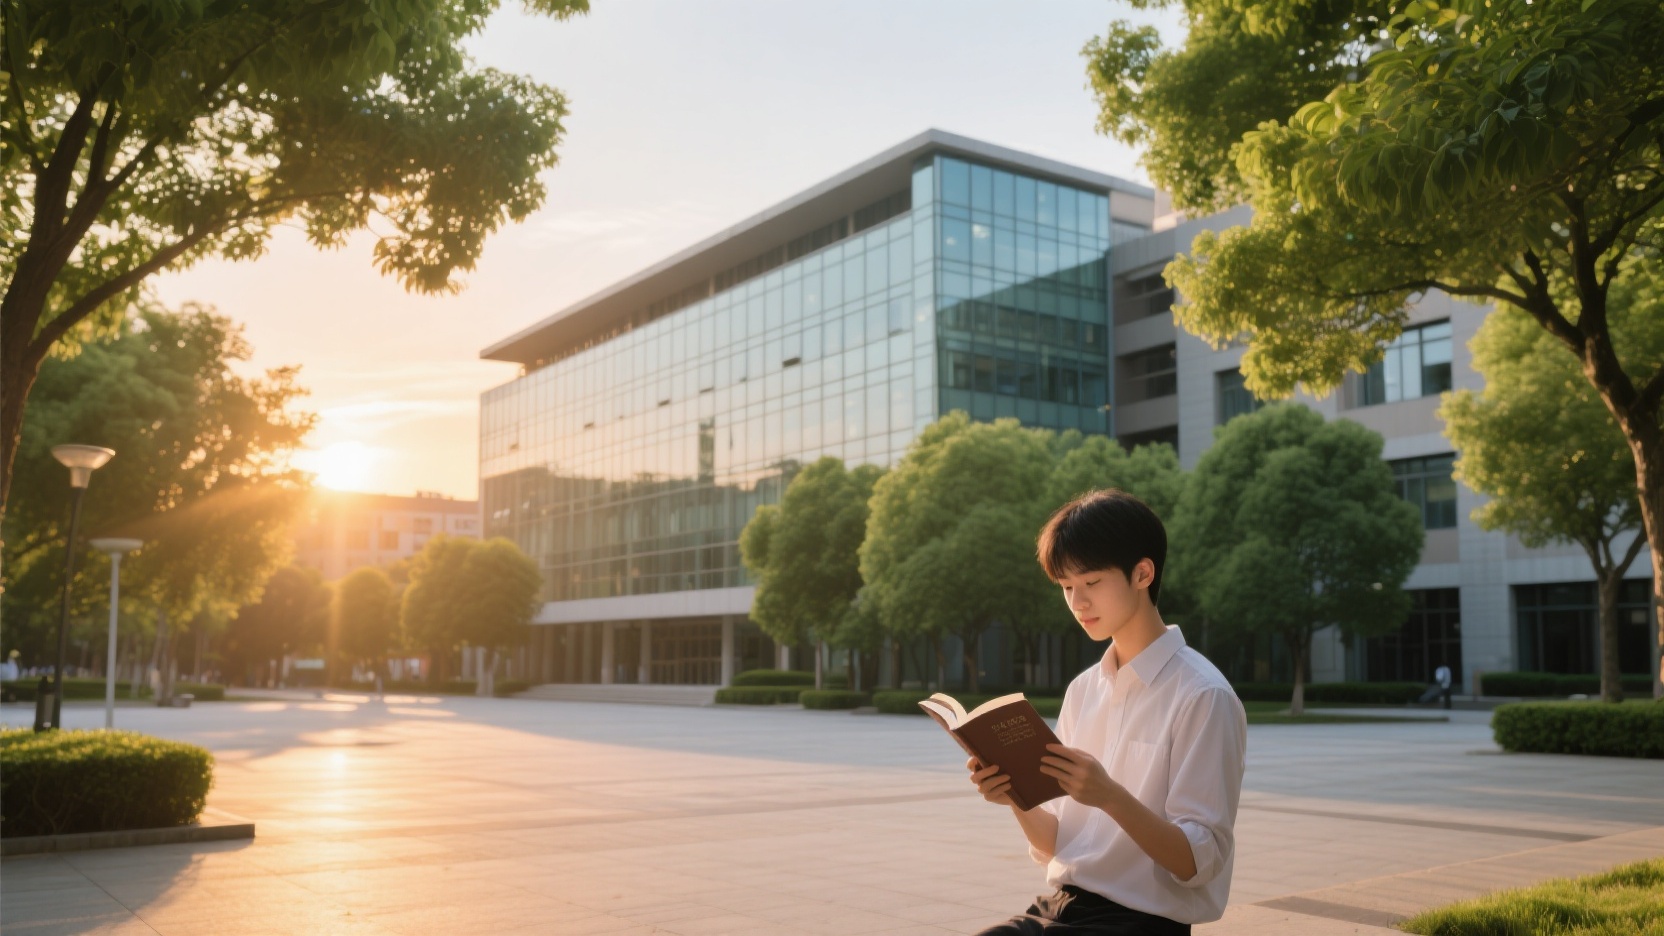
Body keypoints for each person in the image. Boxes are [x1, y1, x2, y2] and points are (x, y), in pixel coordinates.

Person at [968, 489, 1247, 935]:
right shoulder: (1084, 690)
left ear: (1142, 573)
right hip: (1058, 908)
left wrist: (1109, 795)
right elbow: (1057, 840)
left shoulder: (1203, 695)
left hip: (1138, 922)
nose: (1077, 603)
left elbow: (1199, 862)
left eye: (1091, 583)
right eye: (1066, 587)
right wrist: (1014, 795)